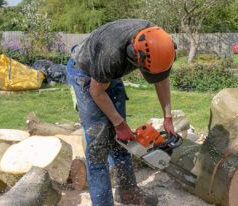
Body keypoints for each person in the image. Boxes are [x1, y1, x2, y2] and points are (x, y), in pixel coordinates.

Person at [66, 19, 177, 206]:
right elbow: (96, 91)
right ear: (134, 53)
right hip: (85, 74)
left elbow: (161, 79)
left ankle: (127, 192)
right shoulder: (111, 52)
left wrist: (168, 117)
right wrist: (119, 124)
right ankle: (102, 203)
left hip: (110, 74)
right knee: (98, 144)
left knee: (122, 141)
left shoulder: (160, 43)